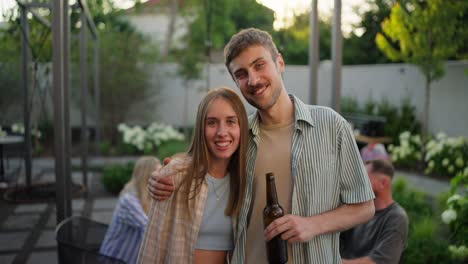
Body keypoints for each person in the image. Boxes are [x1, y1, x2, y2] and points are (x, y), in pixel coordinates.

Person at [150, 28, 375, 263]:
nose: (253, 80)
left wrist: (313, 224)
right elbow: (200, 167)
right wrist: (162, 176)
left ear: (279, 62)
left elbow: (364, 207)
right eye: (241, 74)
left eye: (259, 65)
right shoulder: (238, 136)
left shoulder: (331, 126)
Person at [137, 87, 249, 263]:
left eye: (231, 121)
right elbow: (152, 246)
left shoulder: (246, 181)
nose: (222, 132)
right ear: (200, 129)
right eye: (212, 122)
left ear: (242, 126)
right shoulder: (176, 176)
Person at [341, 159, 409, 264]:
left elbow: (381, 262)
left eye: (364, 177)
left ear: (383, 183)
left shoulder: (396, 218)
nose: (358, 182)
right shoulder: (357, 209)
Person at [100, 156, 160, 264]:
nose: (162, 177)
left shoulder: (149, 198)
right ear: (146, 176)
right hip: (116, 259)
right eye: (158, 173)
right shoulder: (128, 201)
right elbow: (150, 229)